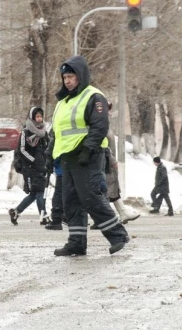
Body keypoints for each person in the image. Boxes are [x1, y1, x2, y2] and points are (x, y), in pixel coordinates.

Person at [51, 55, 129, 256]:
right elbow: (58, 130)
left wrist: (88, 149)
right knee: (71, 201)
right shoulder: (64, 101)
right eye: (65, 77)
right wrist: (50, 151)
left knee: (91, 198)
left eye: (71, 76)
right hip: (68, 157)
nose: (67, 80)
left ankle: (118, 235)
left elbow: (100, 126)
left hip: (88, 156)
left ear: (81, 76)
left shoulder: (94, 96)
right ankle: (76, 242)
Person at [8, 107, 49, 226]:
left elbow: (47, 148)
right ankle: (44, 216)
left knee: (34, 194)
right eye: (37, 116)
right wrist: (34, 161)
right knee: (39, 192)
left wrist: (47, 161)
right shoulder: (25, 133)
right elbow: (21, 150)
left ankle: (16, 212)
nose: (39, 119)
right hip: (30, 168)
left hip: (42, 167)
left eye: (40, 116)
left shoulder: (44, 132)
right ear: (32, 117)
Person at [105, 103, 140, 225]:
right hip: (104, 164)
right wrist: (112, 160)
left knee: (112, 190)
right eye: (107, 110)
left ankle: (122, 213)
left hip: (109, 164)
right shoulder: (100, 127)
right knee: (105, 192)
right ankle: (105, 219)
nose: (109, 113)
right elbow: (104, 147)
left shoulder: (106, 125)